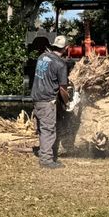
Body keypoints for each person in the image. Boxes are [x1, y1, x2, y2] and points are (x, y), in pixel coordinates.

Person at [30, 34, 71, 169]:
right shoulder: (60, 64)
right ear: (66, 48)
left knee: (42, 128)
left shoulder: (42, 57)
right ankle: (46, 160)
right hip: (47, 100)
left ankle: (45, 153)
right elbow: (63, 89)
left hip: (36, 98)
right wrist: (67, 102)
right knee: (48, 129)